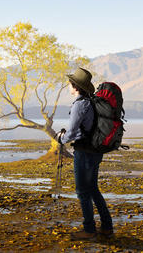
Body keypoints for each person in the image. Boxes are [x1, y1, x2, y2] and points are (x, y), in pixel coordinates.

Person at [55, 67, 113, 240]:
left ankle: (89, 230)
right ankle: (107, 227)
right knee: (93, 189)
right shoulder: (93, 102)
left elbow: (72, 133)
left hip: (84, 152)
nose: (68, 86)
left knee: (82, 192)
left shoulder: (80, 104)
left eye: (70, 84)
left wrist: (61, 139)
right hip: (95, 151)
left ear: (75, 86)